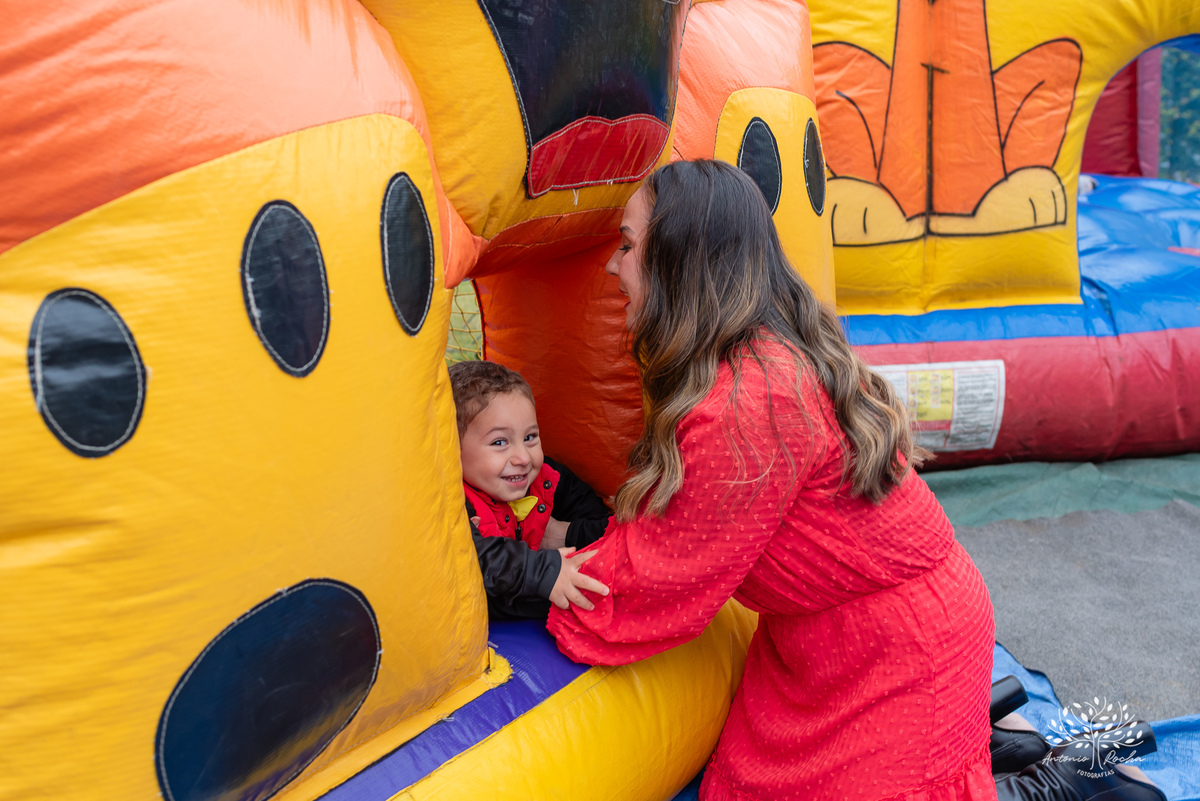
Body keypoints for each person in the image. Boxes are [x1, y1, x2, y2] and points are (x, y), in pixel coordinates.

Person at [545, 159, 1164, 801]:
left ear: (680, 264)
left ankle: (1077, 776)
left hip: (892, 655)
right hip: (854, 645)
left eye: (627, 246)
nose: (613, 267)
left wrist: (523, 574)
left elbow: (661, 580)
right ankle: (995, 735)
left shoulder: (746, 402)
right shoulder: (766, 352)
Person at [449, 360, 611, 620]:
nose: (523, 458)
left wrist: (565, 534)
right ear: (452, 449)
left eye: (529, 437)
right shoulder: (450, 499)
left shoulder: (546, 479)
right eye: (500, 442)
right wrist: (543, 572)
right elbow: (470, 560)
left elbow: (603, 526)